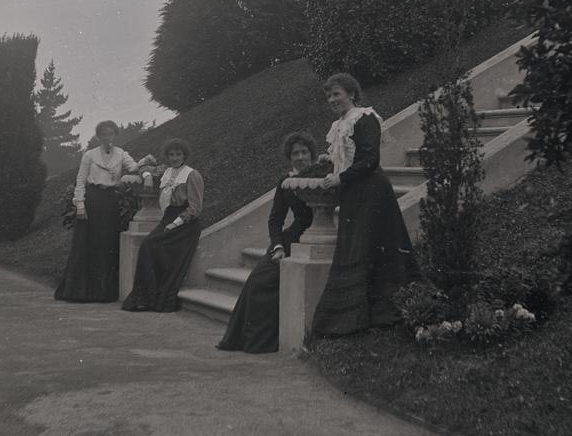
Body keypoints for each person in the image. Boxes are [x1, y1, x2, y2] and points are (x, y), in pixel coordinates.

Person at [313, 73, 419, 336]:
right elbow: (350, 157)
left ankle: (384, 314)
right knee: (356, 250)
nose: (332, 99)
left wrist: (340, 176)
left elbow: (370, 159)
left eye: (336, 94)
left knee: (373, 250)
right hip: (353, 194)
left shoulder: (365, 117)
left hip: (372, 192)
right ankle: (354, 319)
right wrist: (332, 161)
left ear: (351, 93)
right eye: (328, 96)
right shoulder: (340, 124)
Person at [217, 132, 316, 353]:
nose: (300, 157)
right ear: (289, 157)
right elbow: (275, 220)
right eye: (295, 154)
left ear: (311, 154)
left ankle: (263, 341)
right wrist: (278, 246)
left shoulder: (322, 175)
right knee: (256, 281)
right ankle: (243, 339)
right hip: (293, 237)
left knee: (267, 284)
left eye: (304, 152)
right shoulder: (286, 181)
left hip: (318, 235)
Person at [56, 121, 154, 303]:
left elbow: (135, 167)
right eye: (103, 134)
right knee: (87, 244)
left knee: (106, 245)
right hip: (92, 200)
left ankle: (103, 293)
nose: (107, 137)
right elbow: (80, 181)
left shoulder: (121, 154)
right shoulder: (89, 155)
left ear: (115, 135)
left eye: (110, 134)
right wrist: (80, 206)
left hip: (110, 202)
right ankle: (80, 292)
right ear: (98, 136)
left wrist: (147, 174)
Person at [122, 138, 204, 312]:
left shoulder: (192, 175)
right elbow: (141, 168)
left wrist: (175, 224)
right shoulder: (166, 172)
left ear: (184, 155)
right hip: (168, 218)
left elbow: (195, 208)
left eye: (178, 154)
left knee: (151, 245)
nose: (174, 158)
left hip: (185, 223)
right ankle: (145, 298)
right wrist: (147, 174)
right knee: (147, 246)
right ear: (167, 156)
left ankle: (156, 297)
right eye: (171, 154)